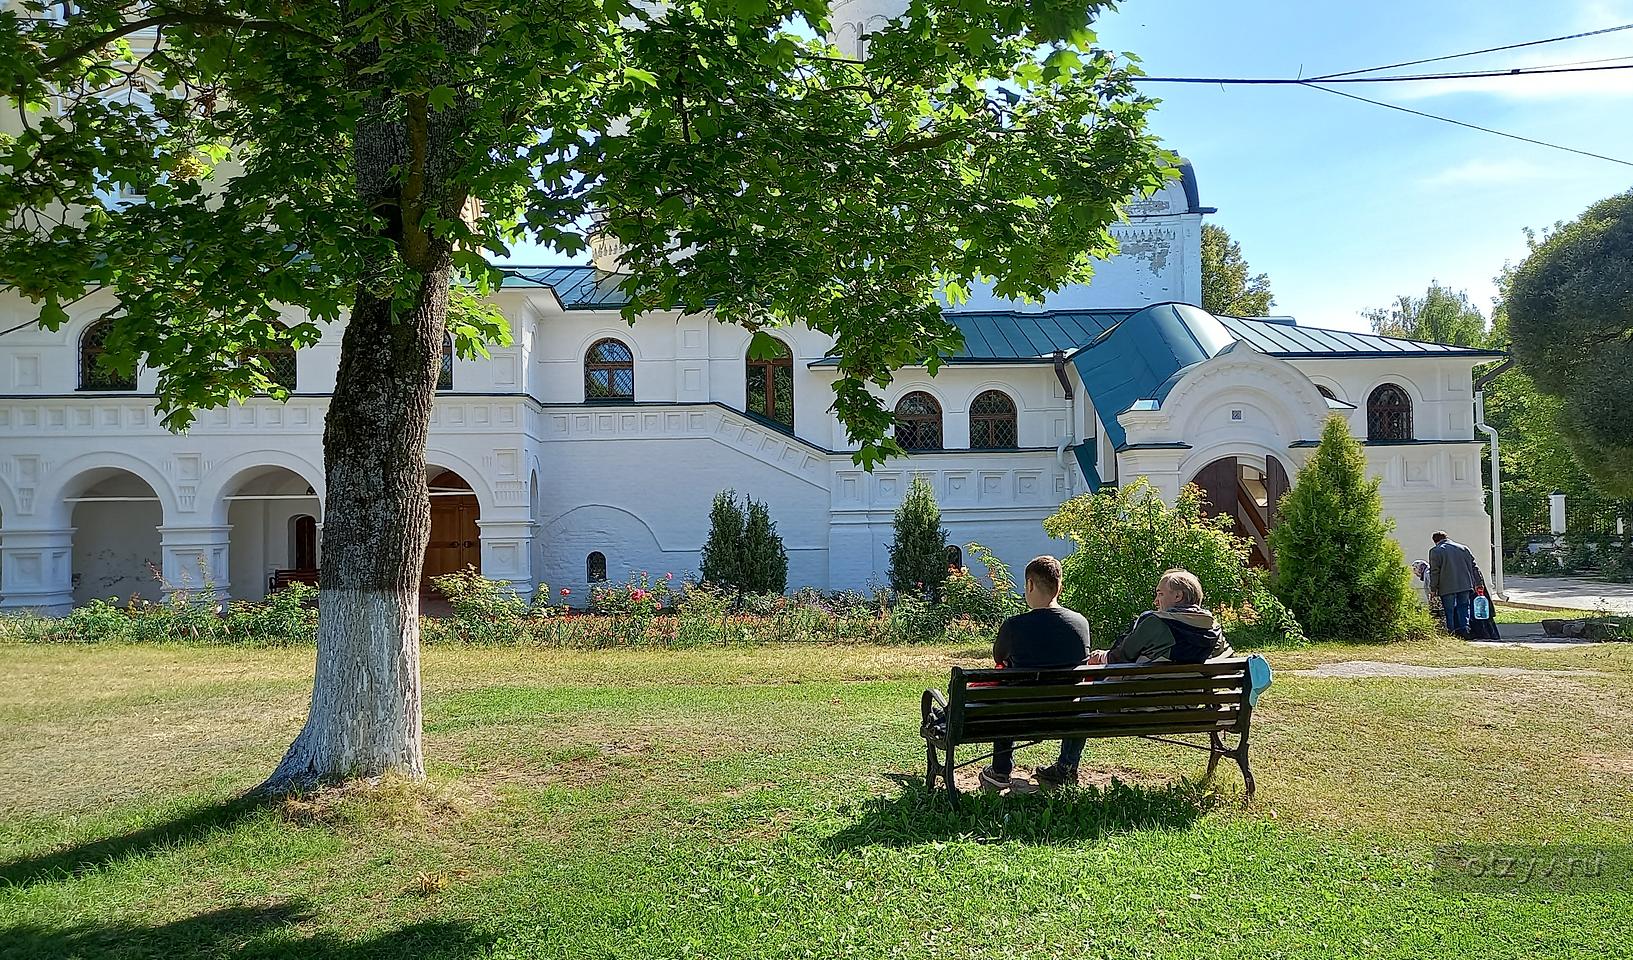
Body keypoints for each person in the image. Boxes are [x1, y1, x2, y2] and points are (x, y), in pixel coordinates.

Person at [978, 556, 1093, 793]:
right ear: (1059, 586)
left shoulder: (1014, 625)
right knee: (1078, 700)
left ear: (1030, 585)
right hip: (1067, 711)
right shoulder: (1080, 623)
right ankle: (1066, 768)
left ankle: (1000, 770)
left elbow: (999, 659)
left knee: (1005, 693)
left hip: (1019, 713)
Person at [1086, 568, 1234, 667]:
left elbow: (1120, 658)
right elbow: (1229, 662)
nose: (1155, 601)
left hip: (1147, 705)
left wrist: (1100, 657)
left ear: (1178, 596)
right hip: (1192, 703)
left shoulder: (1155, 623)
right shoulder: (1213, 629)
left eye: (1160, 594)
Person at [1427, 531, 1479, 637]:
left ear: (1435, 541)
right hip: (1465, 584)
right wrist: (1478, 582)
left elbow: (1434, 571)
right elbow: (1474, 567)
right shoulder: (1464, 548)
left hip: (1447, 586)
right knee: (1464, 607)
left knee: (1448, 610)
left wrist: (1433, 588)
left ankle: (1451, 632)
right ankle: (1464, 630)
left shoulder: (1435, 551)